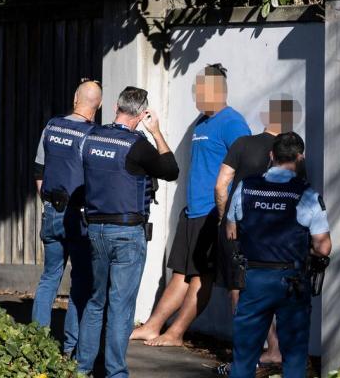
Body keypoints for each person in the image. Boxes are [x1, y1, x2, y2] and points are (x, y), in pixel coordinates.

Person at [130, 63, 250, 346]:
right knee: (181, 274)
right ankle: (153, 326)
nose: (196, 95)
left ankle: (176, 333)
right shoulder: (201, 122)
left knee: (201, 276)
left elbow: (245, 166)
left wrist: (230, 213)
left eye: (202, 90)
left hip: (213, 212)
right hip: (193, 211)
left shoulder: (232, 122)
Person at [76, 87, 179, 378]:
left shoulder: (92, 136)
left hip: (95, 229)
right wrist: (156, 132)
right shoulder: (138, 145)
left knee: (96, 301)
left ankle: (82, 368)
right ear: (141, 113)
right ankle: (115, 373)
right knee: (121, 307)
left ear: (116, 108)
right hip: (127, 232)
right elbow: (171, 170)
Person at [226, 132, 331, 378]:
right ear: (300, 158)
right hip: (291, 281)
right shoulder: (306, 195)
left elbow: (232, 231)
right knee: (293, 357)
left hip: (253, 278)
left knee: (244, 356)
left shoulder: (246, 188)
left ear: (271, 155)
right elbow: (323, 247)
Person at [214, 96, 304, 374]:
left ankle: (249, 356)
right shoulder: (295, 156)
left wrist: (225, 217)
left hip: (240, 229)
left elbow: (221, 185)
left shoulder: (242, 144)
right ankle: (275, 350)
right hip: (279, 238)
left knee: (239, 290)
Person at [32, 78, 102, 356]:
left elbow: (39, 170)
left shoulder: (51, 126)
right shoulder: (92, 135)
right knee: (81, 282)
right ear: (98, 107)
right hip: (79, 217)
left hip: (51, 210)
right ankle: (70, 347)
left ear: (75, 99)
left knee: (49, 276)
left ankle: (36, 342)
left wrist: (48, 203)